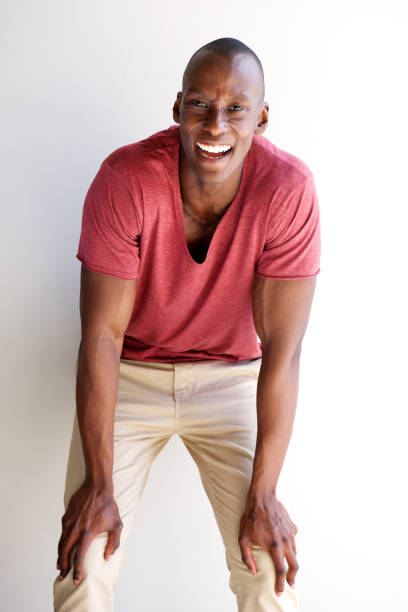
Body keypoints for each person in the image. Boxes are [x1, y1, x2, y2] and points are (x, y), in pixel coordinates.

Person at [53, 36, 321, 612]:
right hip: (129, 375)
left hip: (232, 382)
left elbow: (283, 349)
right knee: (86, 561)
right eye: (200, 104)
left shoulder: (287, 190)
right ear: (177, 108)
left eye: (236, 109)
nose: (215, 124)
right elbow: (100, 336)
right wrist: (98, 486)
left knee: (269, 566)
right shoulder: (125, 178)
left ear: (262, 118)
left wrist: (266, 493)